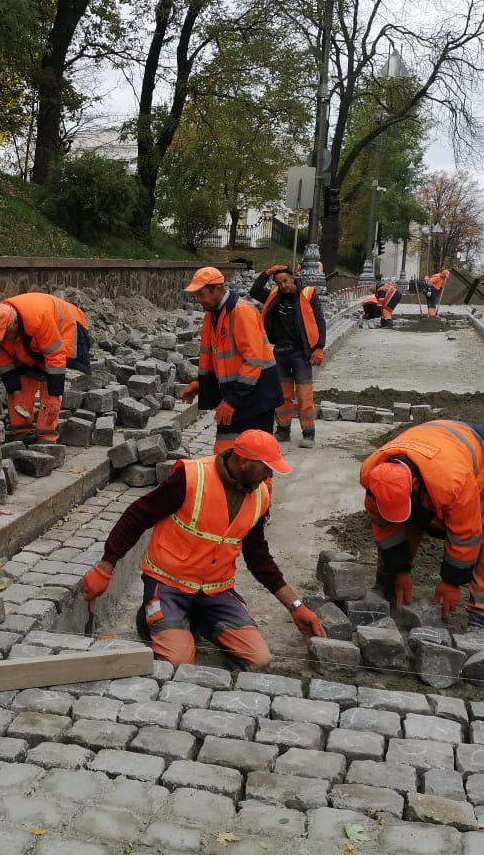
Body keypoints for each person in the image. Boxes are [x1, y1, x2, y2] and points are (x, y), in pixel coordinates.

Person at [80, 430, 326, 668]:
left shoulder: (260, 496)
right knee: (177, 663)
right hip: (169, 585)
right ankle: (151, 619)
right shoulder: (191, 478)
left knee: (259, 659)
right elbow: (137, 516)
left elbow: (259, 558)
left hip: (215, 592)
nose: (268, 476)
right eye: (265, 467)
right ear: (242, 461)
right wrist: (106, 567)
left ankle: (197, 623)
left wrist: (296, 606)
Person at [359, 419, 484, 633]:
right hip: (439, 446)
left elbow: (465, 535)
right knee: (405, 521)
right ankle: (387, 586)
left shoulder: (452, 483)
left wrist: (451, 583)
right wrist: (400, 572)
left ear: (414, 485)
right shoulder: (374, 480)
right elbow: (387, 531)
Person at [178, 267, 281, 453]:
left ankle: (261, 484)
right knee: (225, 454)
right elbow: (218, 360)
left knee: (256, 456)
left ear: (217, 288)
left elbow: (253, 362)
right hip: (239, 394)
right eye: (195, 296)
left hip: (257, 397)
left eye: (201, 294)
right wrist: (201, 384)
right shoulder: (213, 314)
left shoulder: (241, 312)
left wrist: (231, 401)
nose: (198, 300)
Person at [0, 293, 91, 443]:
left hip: (68, 326)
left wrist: (54, 396)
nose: (3, 338)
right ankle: (21, 432)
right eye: (1, 336)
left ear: (14, 323)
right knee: (23, 374)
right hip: (31, 334)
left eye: (6, 334)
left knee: (49, 375)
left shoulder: (39, 319)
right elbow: (4, 363)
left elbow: (55, 360)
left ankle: (46, 435)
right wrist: (15, 392)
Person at [249, 264, 326, 448]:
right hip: (280, 351)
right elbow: (255, 290)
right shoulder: (274, 295)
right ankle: (283, 431)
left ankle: (308, 434)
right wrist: (267, 272)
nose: (283, 285)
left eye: (285, 280)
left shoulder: (308, 294)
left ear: (293, 278)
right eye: (278, 282)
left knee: (304, 394)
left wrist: (319, 347)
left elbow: (320, 320)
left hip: (301, 352)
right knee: (282, 394)